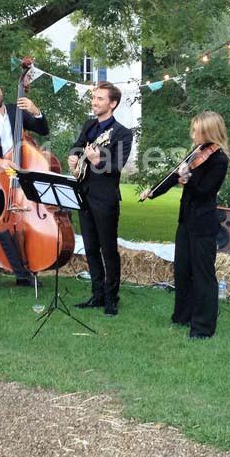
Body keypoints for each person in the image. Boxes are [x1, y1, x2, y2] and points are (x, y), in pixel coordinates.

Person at [139, 111, 229, 338]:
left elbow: (204, 192)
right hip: (186, 220)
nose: (193, 135)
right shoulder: (196, 152)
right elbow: (172, 177)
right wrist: (153, 192)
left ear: (209, 132)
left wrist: (187, 179)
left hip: (203, 224)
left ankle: (203, 328)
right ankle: (182, 316)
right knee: (182, 271)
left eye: (197, 131)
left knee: (203, 275)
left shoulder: (219, 160)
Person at [0, 78, 49, 293]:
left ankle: (23, 274)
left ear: (0, 91)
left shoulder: (18, 111)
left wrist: (36, 111)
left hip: (20, 178)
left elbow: (43, 130)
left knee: (22, 224)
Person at [67, 82, 133, 316]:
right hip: (84, 194)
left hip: (105, 198)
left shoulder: (122, 133)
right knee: (91, 249)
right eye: (93, 98)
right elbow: (77, 147)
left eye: (100, 98)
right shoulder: (89, 125)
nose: (94, 102)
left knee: (108, 249)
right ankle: (97, 295)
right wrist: (73, 158)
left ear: (112, 103)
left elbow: (116, 167)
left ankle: (111, 298)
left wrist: (97, 160)